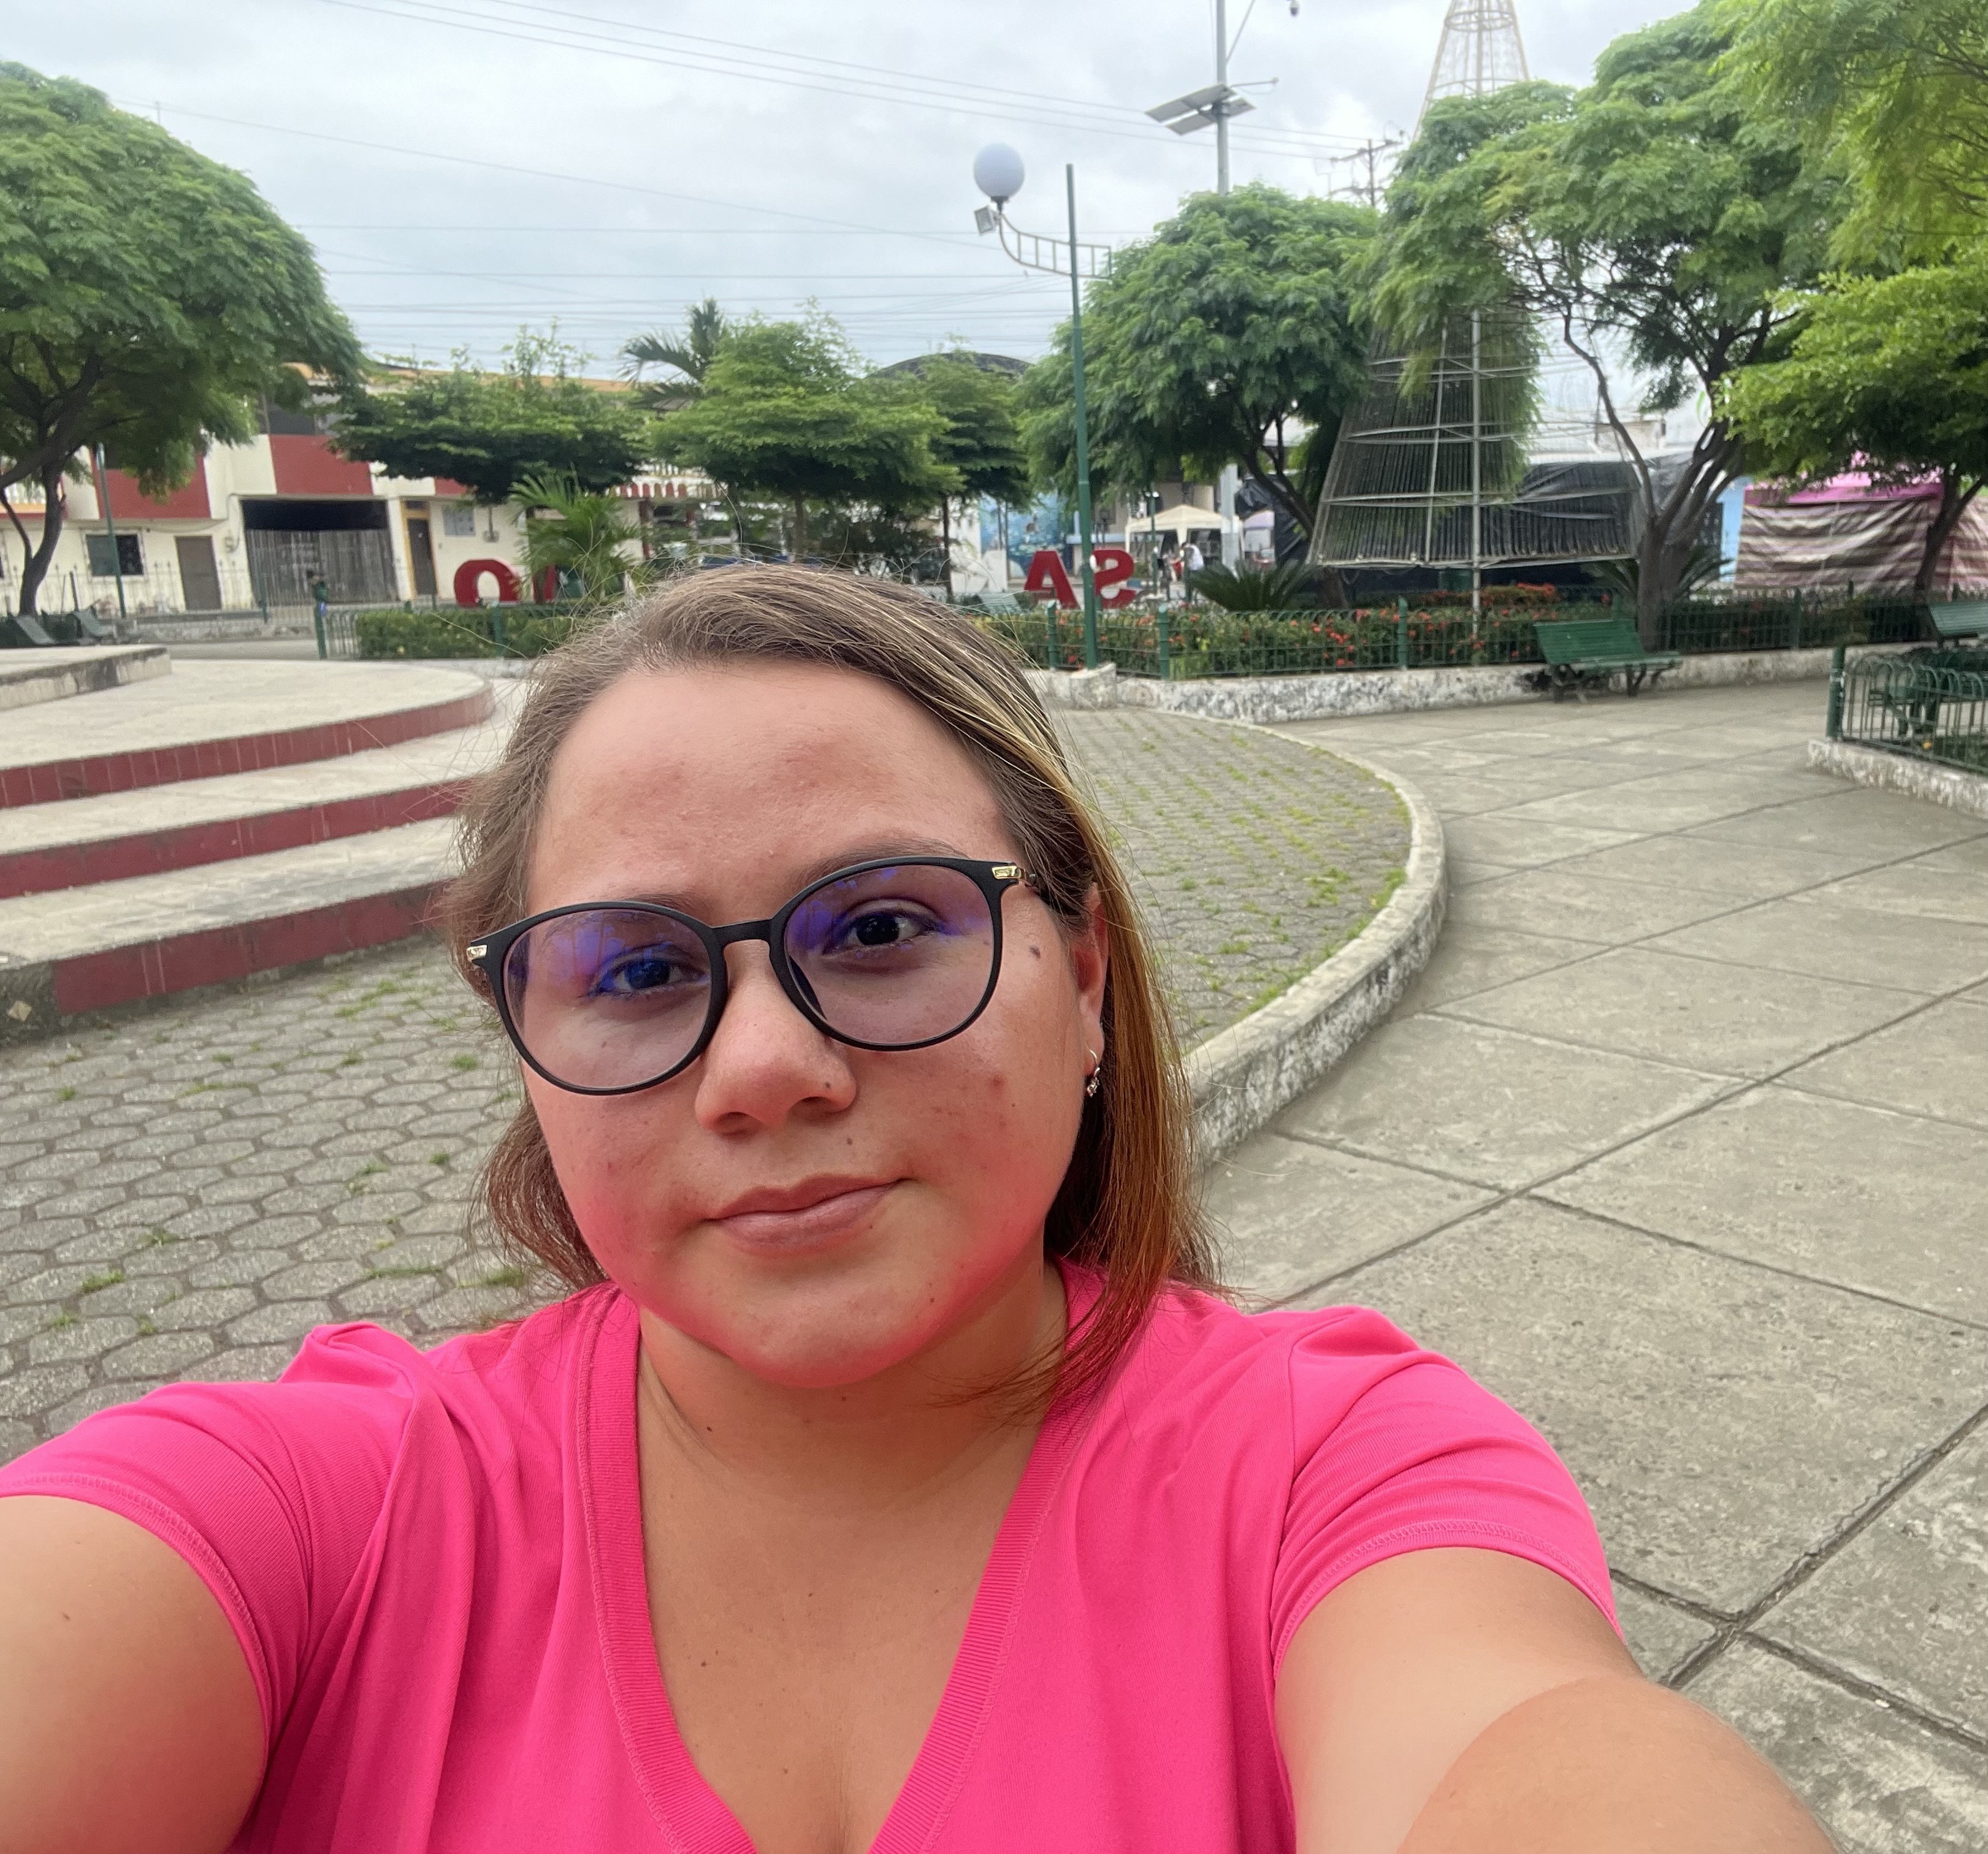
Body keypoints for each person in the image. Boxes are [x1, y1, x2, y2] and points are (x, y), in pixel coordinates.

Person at [0, 568, 1829, 1854]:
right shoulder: (310, 1518)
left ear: (1083, 978)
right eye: (633, 970)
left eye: (881, 928)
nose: (762, 1068)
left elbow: (1523, 1748)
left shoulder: (1340, 1484)